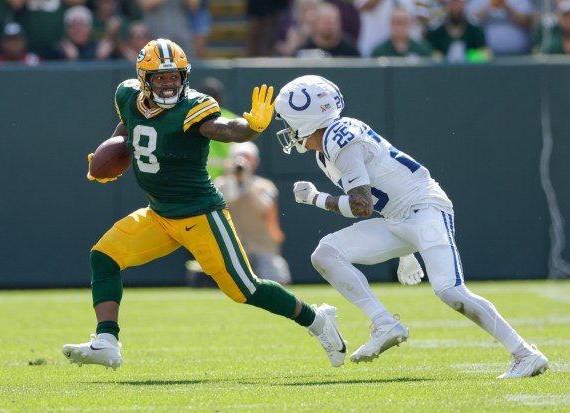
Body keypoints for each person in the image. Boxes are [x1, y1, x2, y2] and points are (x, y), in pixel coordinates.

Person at [61, 39, 347, 371]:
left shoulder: (194, 107)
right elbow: (126, 128)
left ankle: (317, 319)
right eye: (161, 78)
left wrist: (250, 128)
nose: (169, 83)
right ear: (143, 79)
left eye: (175, 77)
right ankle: (106, 341)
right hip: (159, 212)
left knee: (245, 289)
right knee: (105, 256)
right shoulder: (127, 96)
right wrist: (110, 158)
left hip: (201, 214)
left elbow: (223, 129)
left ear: (185, 76)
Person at [272, 74, 550, 379]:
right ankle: (384, 323)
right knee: (325, 254)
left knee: (450, 291)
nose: (287, 129)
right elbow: (383, 194)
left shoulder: (340, 140)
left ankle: (526, 354)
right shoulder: (327, 148)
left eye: (288, 121)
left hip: (425, 209)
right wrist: (406, 252)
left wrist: (315, 199)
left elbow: (361, 206)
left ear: (306, 120)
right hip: (397, 217)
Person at [215, 142, 293, 285]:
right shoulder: (220, 184)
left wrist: (247, 181)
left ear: (255, 161)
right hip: (234, 249)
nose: (242, 162)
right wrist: (231, 178)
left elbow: (265, 207)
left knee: (277, 282)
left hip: (263, 247)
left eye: (247, 158)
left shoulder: (265, 186)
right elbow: (225, 203)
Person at [425, 0, 490, 62]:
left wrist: (469, 56)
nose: (455, 7)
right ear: (446, 5)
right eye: (452, 3)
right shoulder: (435, 31)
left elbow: (485, 53)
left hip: (470, 71)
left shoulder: (475, 29)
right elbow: (428, 53)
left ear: (464, 4)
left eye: (459, 3)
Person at [466, 0, 534, 56]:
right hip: (485, 56)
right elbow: (471, 20)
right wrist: (489, 6)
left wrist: (506, 6)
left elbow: (527, 21)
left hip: (519, 54)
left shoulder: (520, 1)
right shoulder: (477, 1)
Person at [296, 2, 361, 57]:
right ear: (315, 23)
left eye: (332, 22)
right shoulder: (306, 49)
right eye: (325, 22)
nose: (329, 26)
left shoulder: (349, 48)